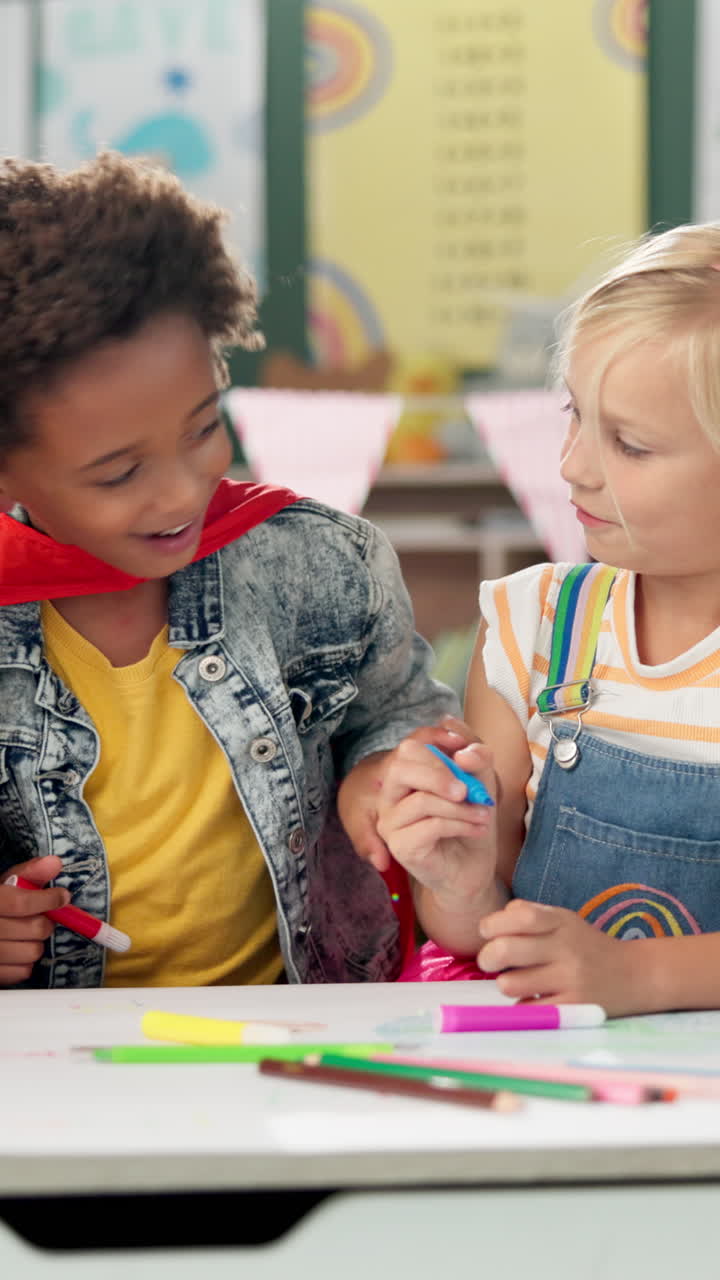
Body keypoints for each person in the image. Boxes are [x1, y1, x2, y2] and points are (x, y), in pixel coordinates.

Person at [0, 150, 459, 989]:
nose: (183, 491)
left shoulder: (326, 565)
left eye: (204, 426)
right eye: (118, 474)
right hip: (50, 1063)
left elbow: (401, 717)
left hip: (294, 1025)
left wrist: (385, 773)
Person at [376, 221, 720, 1016]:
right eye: (574, 415)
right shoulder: (532, 628)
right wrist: (457, 874)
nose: (572, 466)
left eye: (629, 444)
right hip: (562, 1081)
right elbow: (474, 931)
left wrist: (641, 979)